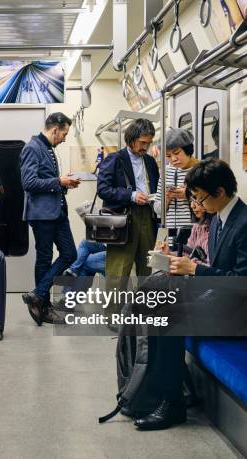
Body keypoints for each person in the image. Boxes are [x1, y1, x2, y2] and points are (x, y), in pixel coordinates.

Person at [134, 159, 247, 432]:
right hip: (220, 301)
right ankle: (163, 391)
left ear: (219, 192)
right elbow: (216, 268)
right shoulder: (220, 218)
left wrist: (195, 270)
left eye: (200, 197)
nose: (198, 204)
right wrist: (181, 263)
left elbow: (246, 284)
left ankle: (171, 404)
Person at [96, 118, 160, 321]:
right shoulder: (114, 159)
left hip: (147, 217)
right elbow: (103, 190)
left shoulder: (149, 161)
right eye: (142, 142)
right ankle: (112, 316)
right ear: (131, 139)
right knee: (119, 269)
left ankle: (143, 312)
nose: (145, 147)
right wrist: (131, 195)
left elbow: (155, 186)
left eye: (148, 143)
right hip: (123, 218)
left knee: (147, 266)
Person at [20, 112, 80, 326]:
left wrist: (64, 184)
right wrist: (59, 181)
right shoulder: (32, 147)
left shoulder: (47, 149)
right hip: (42, 214)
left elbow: (47, 181)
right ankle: (42, 306)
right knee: (44, 258)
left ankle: (37, 294)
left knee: (70, 253)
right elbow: (29, 183)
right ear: (55, 129)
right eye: (64, 133)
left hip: (56, 212)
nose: (64, 138)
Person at [153, 128, 197, 243]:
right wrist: (167, 198)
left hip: (195, 233)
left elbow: (212, 205)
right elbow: (157, 209)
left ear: (188, 149)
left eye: (177, 153)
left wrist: (189, 195)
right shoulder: (165, 172)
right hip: (169, 234)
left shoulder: (202, 170)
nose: (173, 159)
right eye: (168, 156)